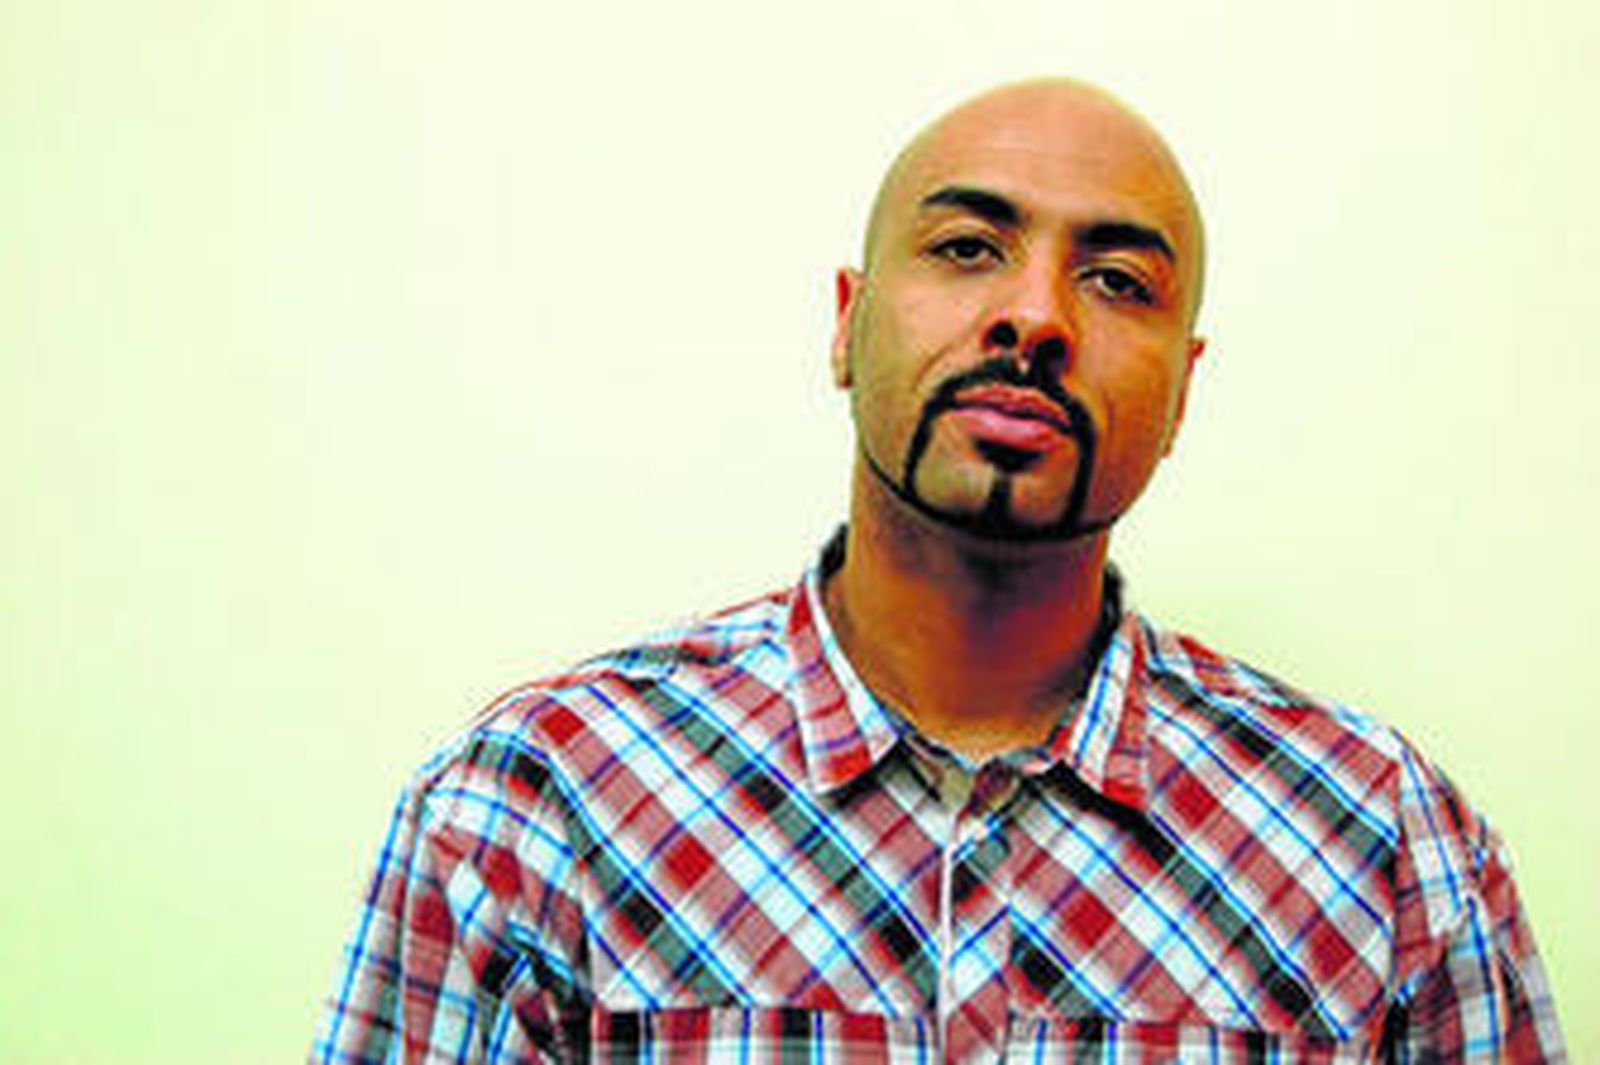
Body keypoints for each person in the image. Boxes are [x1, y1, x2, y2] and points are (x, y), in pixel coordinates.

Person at [310, 79, 1565, 1062]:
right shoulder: (537, 811)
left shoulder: (1387, 851)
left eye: (1117, 280)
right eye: (967, 248)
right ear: (845, 324)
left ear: (1183, 391)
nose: (1037, 318)